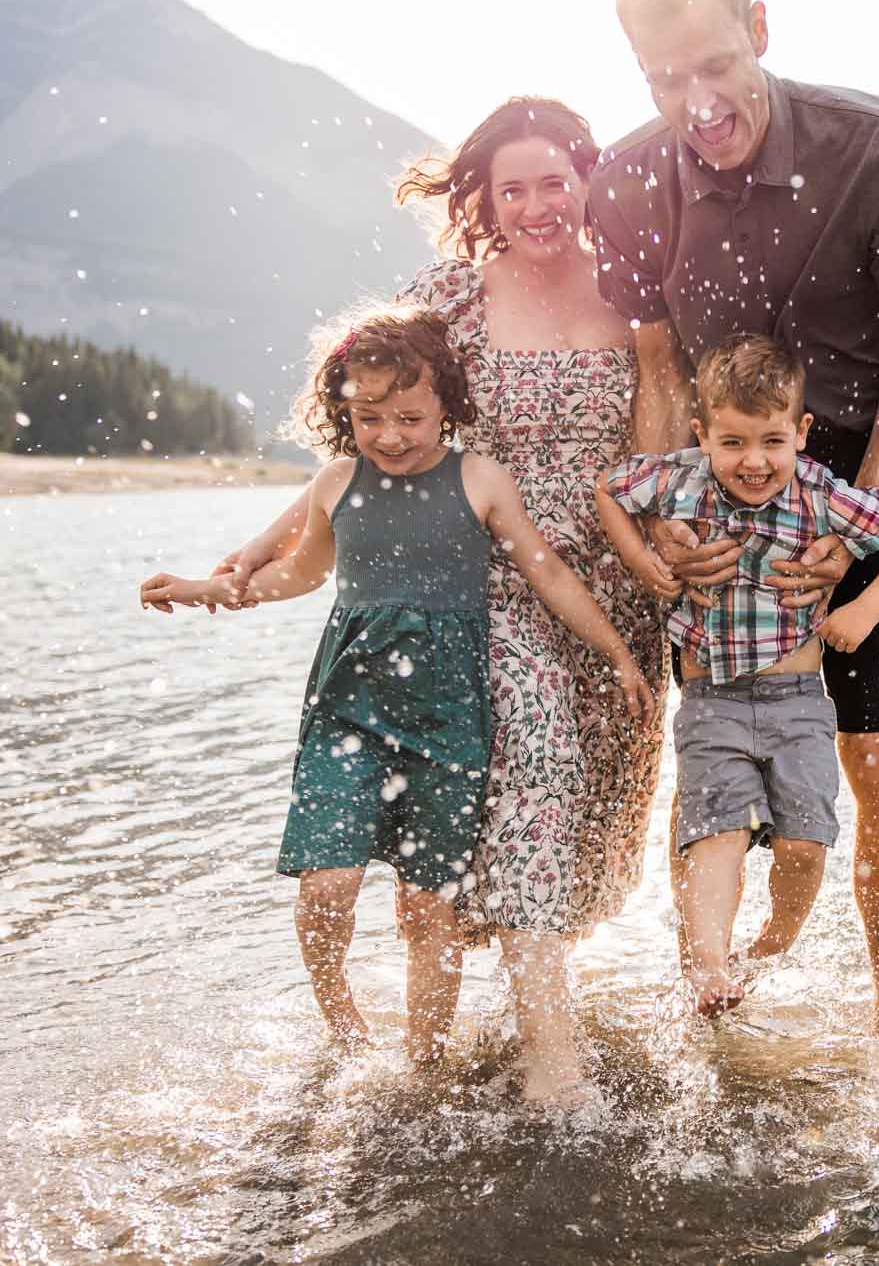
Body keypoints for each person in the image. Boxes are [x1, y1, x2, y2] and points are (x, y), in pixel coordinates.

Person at [208, 98, 669, 1101]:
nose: (538, 206)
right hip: (489, 574)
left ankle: (495, 1008)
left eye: (555, 182)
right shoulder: (452, 299)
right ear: (485, 201)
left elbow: (665, 438)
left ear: (587, 181)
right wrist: (267, 547)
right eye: (514, 189)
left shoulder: (636, 293)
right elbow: (370, 427)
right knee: (535, 763)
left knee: (583, 815)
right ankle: (552, 1061)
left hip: (610, 587)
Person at [593, 0, 879, 1044]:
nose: (697, 104)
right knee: (710, 744)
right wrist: (665, 523)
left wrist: (853, 527)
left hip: (856, 471)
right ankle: (708, 1005)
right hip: (710, 484)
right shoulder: (627, 182)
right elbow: (659, 371)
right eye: (665, 80)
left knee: (877, 754)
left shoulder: (878, 148)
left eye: (715, 66)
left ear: (759, 29)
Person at [138, 304, 654, 1078]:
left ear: (448, 402)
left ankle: (425, 1063)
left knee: (427, 906)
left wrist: (616, 652)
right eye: (368, 417)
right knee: (327, 884)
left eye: (409, 417)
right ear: (344, 413)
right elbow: (298, 573)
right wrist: (205, 588)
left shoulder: (478, 480)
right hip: (347, 712)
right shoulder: (338, 482)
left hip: (448, 723)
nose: (390, 435)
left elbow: (547, 574)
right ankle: (344, 1026)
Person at [594, 334, 879, 1015]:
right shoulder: (679, 479)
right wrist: (639, 556)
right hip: (712, 702)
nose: (754, 461)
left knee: (803, 844)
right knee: (714, 834)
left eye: (772, 442)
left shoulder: (820, 494)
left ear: (801, 432)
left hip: (798, 703)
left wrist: (864, 611)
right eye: (733, 442)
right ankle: (710, 968)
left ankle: (775, 938)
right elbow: (608, 488)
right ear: (703, 435)